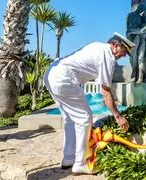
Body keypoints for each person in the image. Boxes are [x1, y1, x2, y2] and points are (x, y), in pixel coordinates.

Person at [43, 32, 135, 175]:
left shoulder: (97, 46)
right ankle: (79, 163)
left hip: (51, 74)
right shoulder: (108, 57)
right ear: (116, 45)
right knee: (85, 119)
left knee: (69, 119)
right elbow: (105, 92)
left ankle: (69, 158)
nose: (123, 56)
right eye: (124, 52)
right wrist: (118, 116)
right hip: (63, 79)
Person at [126, 3, 146, 83]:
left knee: (140, 59)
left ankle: (140, 77)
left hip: (140, 40)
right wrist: (130, 32)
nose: (144, 17)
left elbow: (141, 32)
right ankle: (134, 76)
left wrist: (131, 31)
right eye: (144, 15)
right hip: (132, 39)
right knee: (133, 58)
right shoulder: (130, 15)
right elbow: (127, 27)